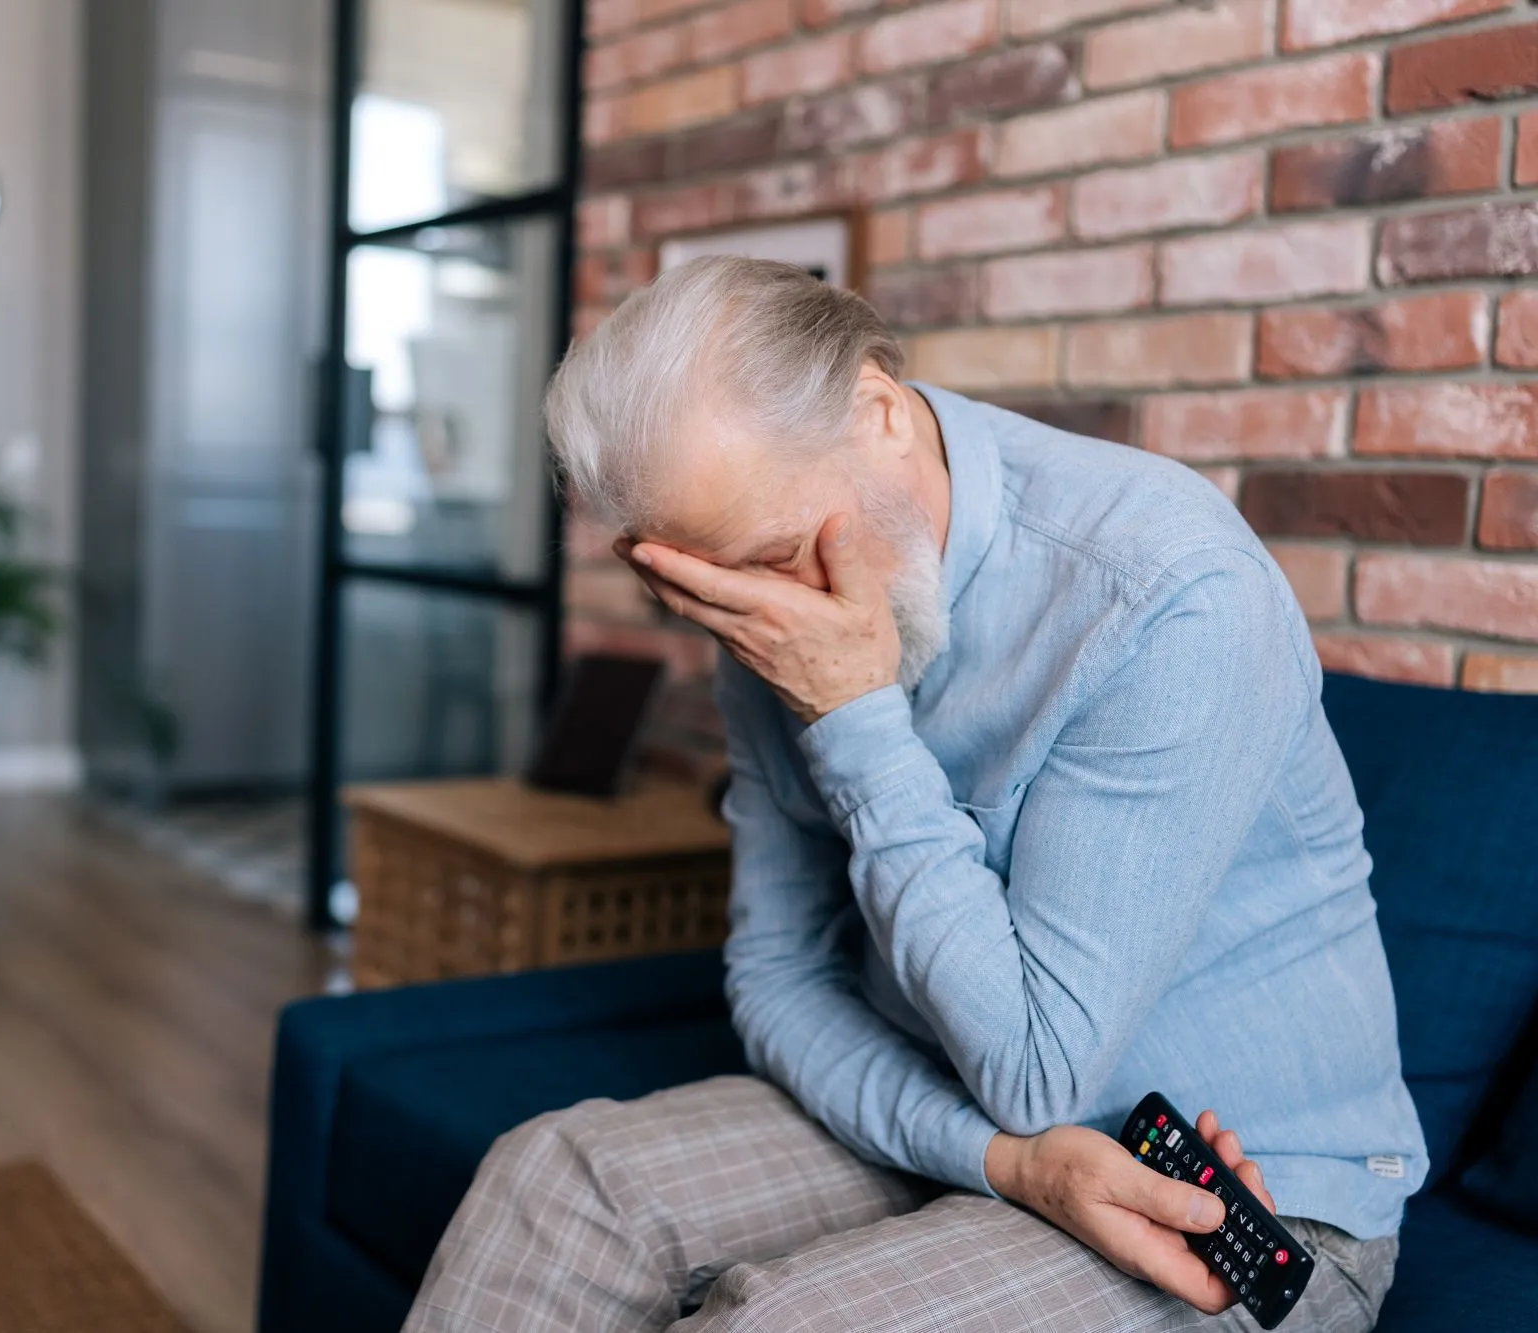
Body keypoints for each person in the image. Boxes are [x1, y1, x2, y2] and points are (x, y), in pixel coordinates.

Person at [402, 257, 1425, 1333]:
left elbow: (1034, 1071)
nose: (760, 622)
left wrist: (848, 717)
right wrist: (994, 1161)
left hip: (1237, 1202)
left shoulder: (1165, 594)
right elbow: (773, 980)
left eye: (774, 558)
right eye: (711, 595)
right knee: (550, 1183)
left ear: (877, 411)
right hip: (952, 1107)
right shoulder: (764, 599)